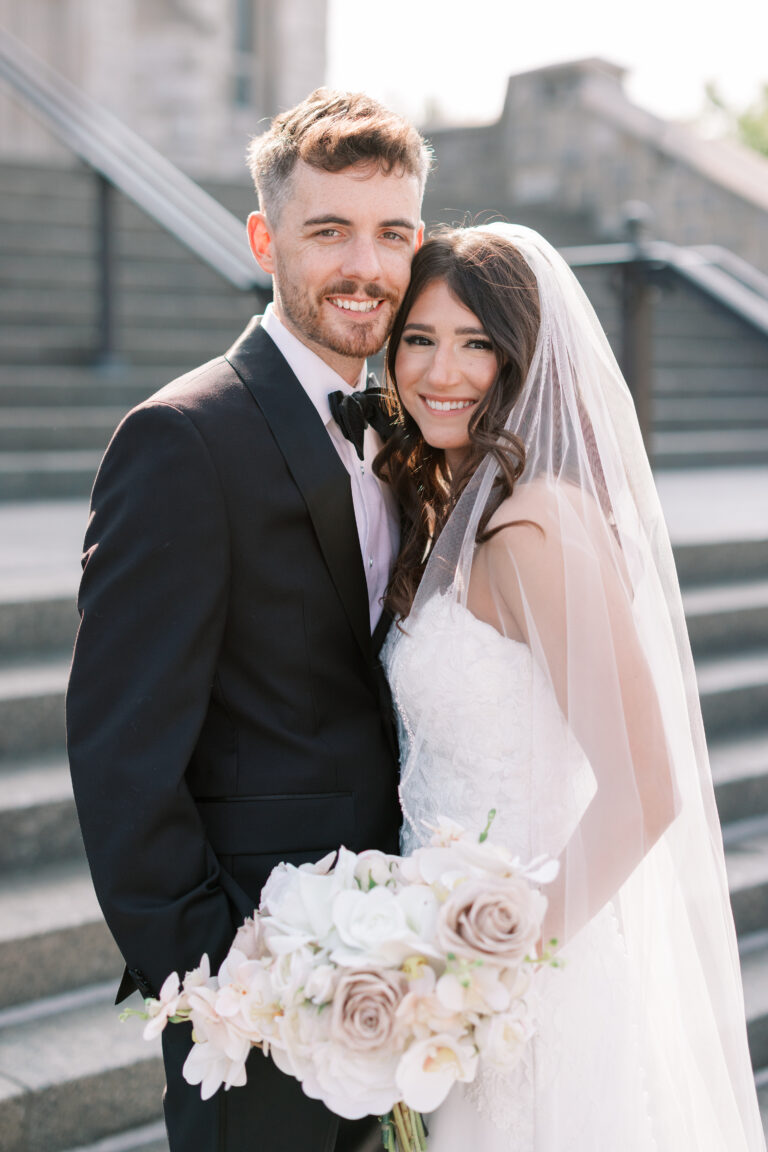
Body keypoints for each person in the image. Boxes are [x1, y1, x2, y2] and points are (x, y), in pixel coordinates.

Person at [66, 88, 430, 1152]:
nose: (366, 265)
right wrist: (225, 980)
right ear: (266, 241)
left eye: (393, 233)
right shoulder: (180, 439)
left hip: (412, 966)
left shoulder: (415, 430)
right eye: (330, 231)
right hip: (262, 992)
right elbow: (123, 758)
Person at [378, 223, 766, 1150]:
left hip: (523, 986)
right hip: (452, 966)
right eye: (420, 339)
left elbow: (646, 789)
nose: (441, 371)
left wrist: (492, 971)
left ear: (520, 361)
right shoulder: (461, 506)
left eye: (476, 344)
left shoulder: (533, 528)